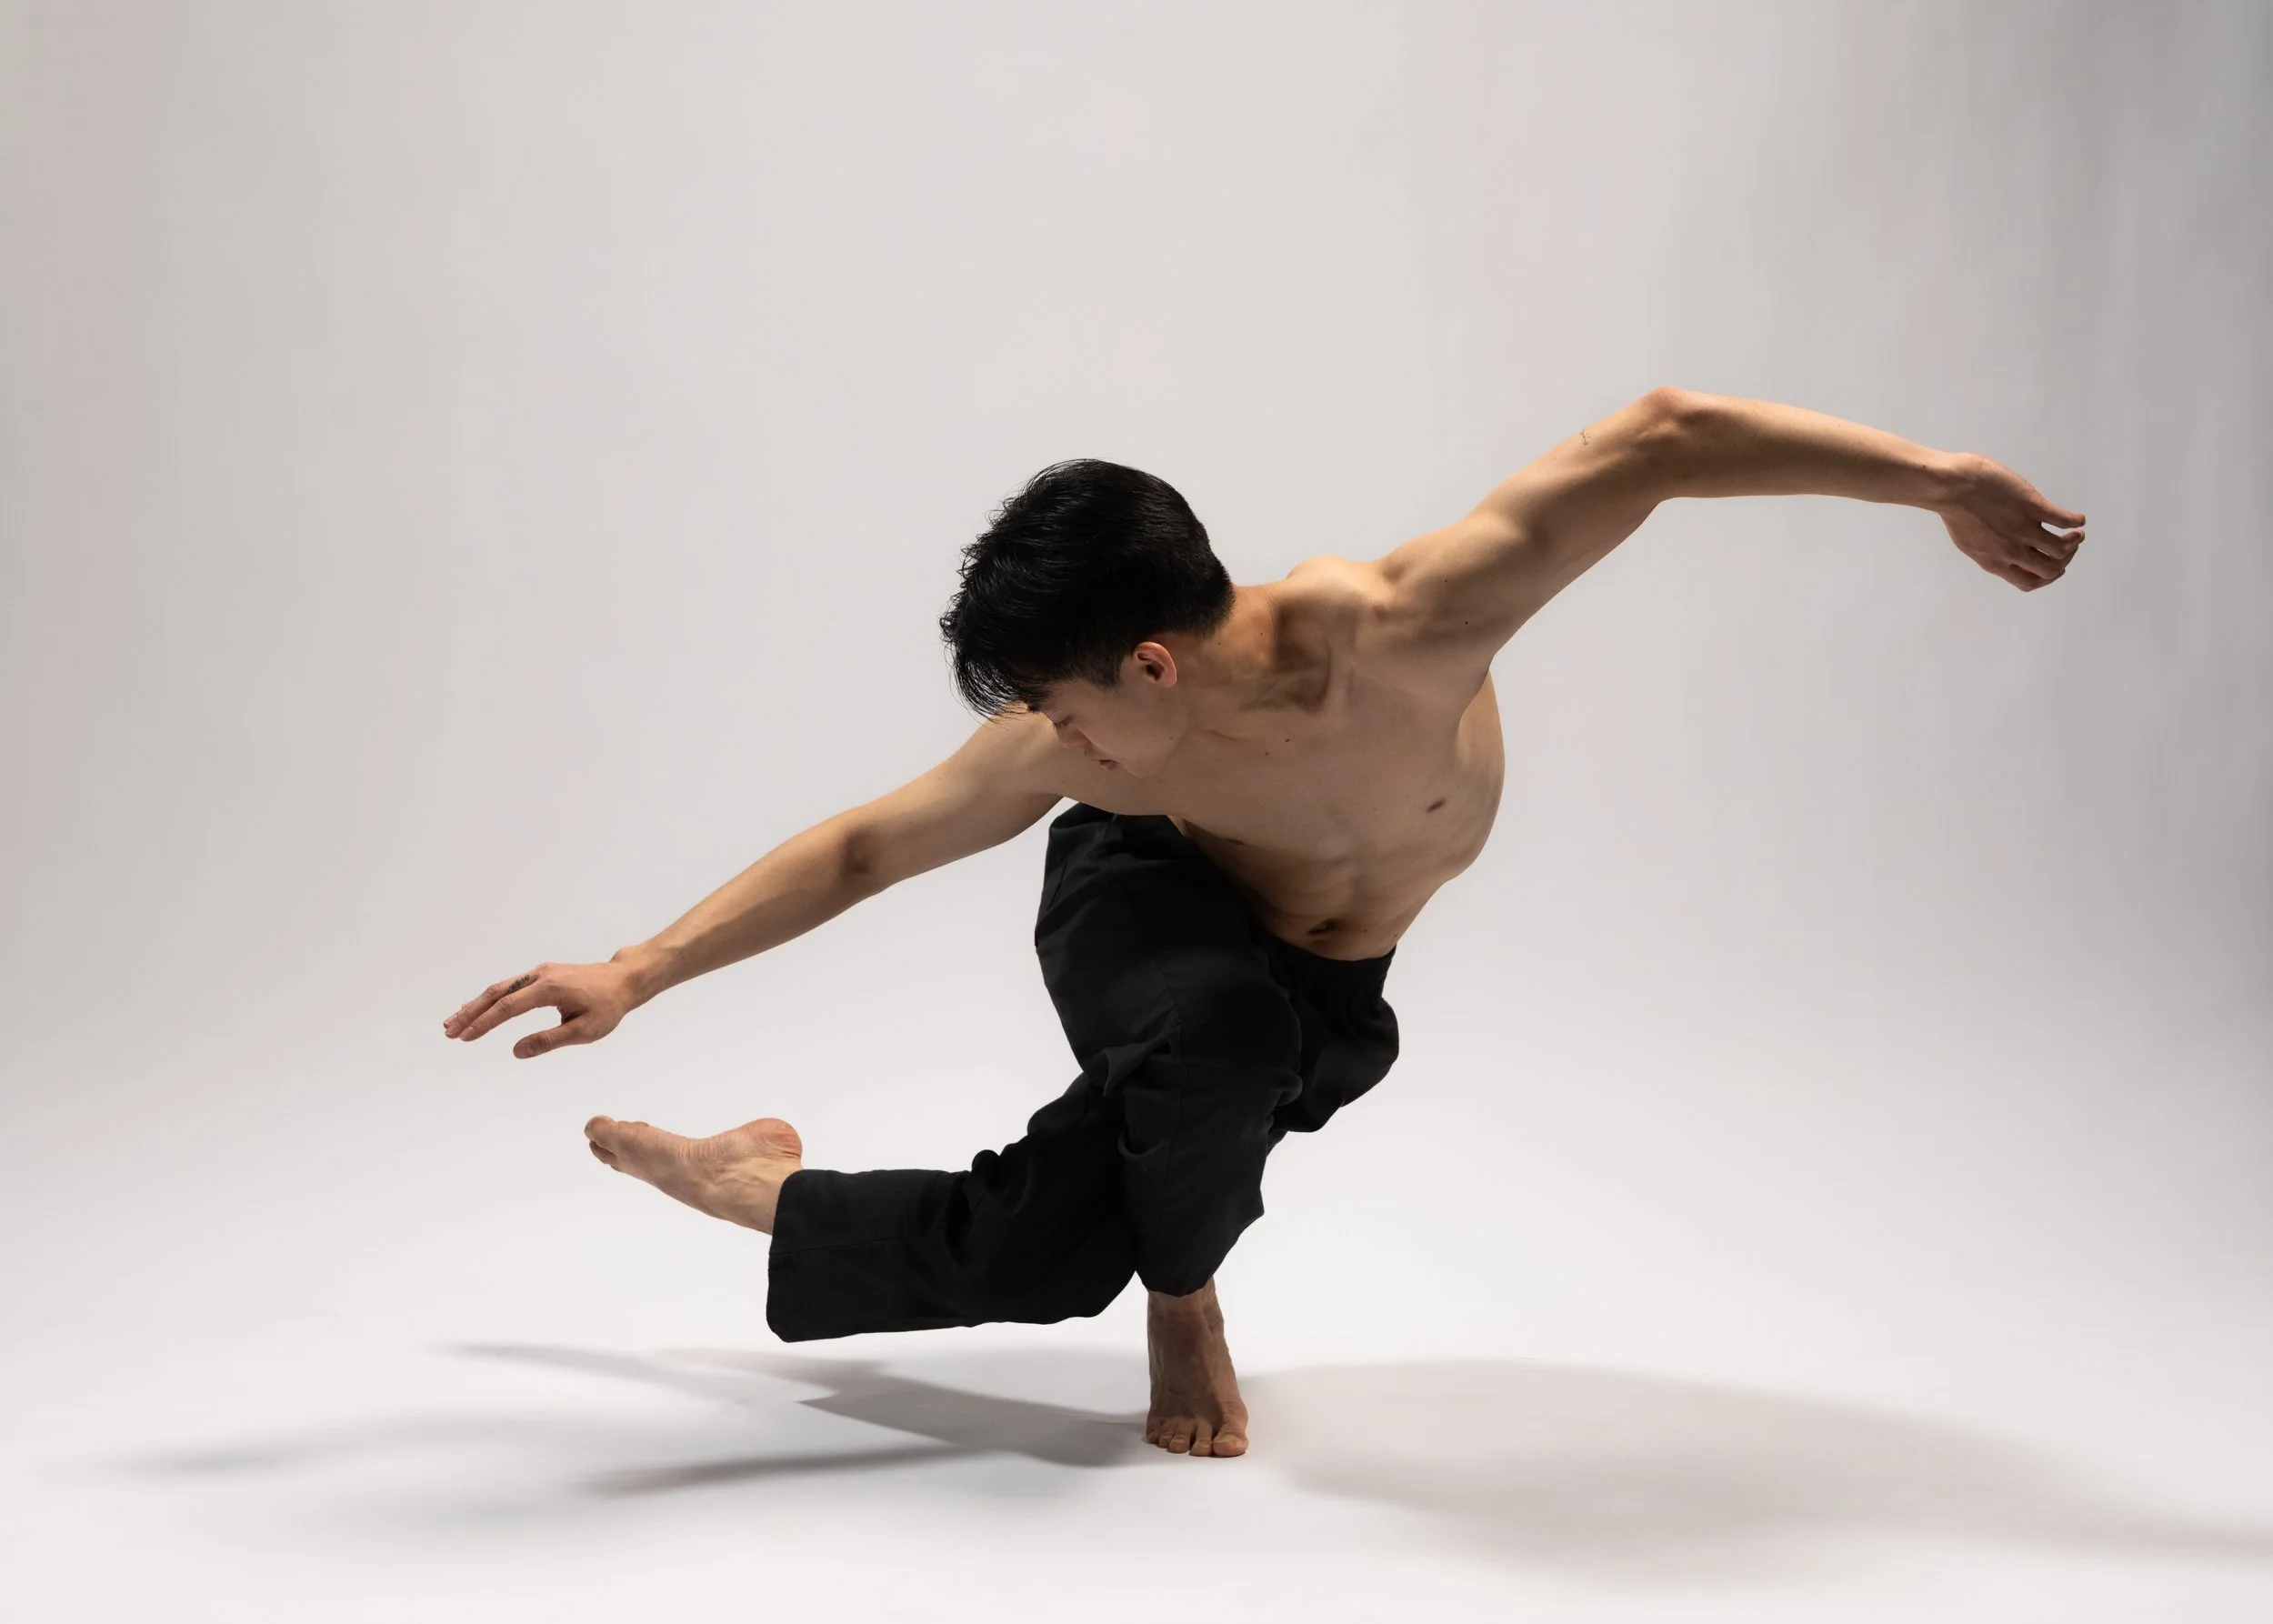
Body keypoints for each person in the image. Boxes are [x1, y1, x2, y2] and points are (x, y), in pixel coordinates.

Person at [442, 386, 2085, 1459]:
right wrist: (640, 966)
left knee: (1043, 1250)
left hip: (1325, 984)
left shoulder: (1402, 627)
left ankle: (763, 1186)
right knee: (1205, 1063)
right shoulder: (1082, 762)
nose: (1053, 741)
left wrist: (1940, 480)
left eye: (1068, 709)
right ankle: (1188, 1296)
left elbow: (1656, 441)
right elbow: (874, 843)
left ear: (1153, 661)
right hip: (1144, 913)